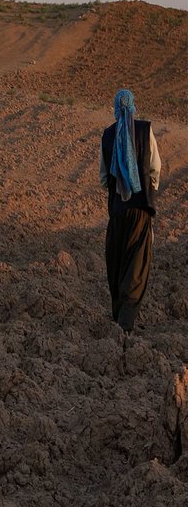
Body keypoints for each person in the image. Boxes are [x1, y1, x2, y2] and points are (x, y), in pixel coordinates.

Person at [99, 89, 162, 333]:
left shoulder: (108, 135)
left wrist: (118, 188)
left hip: (117, 212)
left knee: (117, 263)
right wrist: (146, 190)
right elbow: (155, 168)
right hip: (140, 210)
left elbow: (104, 179)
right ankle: (125, 325)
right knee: (136, 266)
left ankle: (118, 319)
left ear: (115, 108)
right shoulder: (145, 131)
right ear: (134, 107)